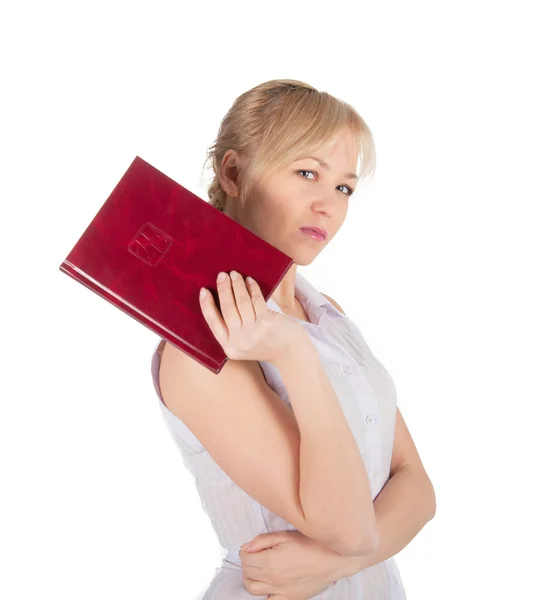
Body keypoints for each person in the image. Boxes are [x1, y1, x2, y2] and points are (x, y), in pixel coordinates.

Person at [151, 79, 435, 599]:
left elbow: (416, 484)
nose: (328, 206)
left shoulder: (329, 316)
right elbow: (347, 528)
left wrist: (333, 565)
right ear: (234, 173)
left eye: (344, 188)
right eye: (307, 173)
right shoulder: (199, 349)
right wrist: (294, 355)